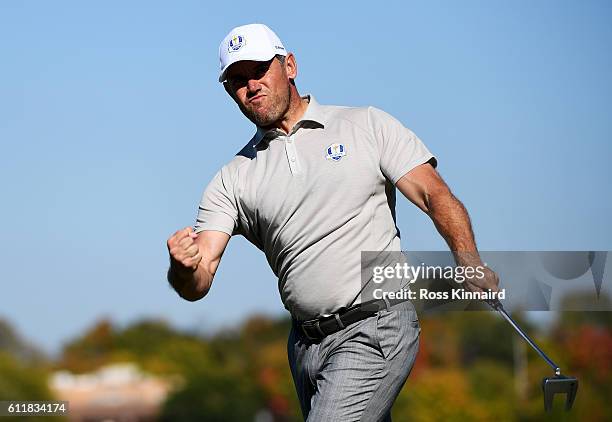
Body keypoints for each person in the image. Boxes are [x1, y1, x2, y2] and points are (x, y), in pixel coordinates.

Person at [166, 23, 499, 421]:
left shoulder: (366, 125)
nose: (251, 85)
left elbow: (434, 194)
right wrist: (182, 267)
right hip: (306, 348)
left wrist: (467, 259)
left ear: (289, 65)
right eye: (238, 80)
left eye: (259, 70)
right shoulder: (232, 179)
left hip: (374, 326)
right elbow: (200, 275)